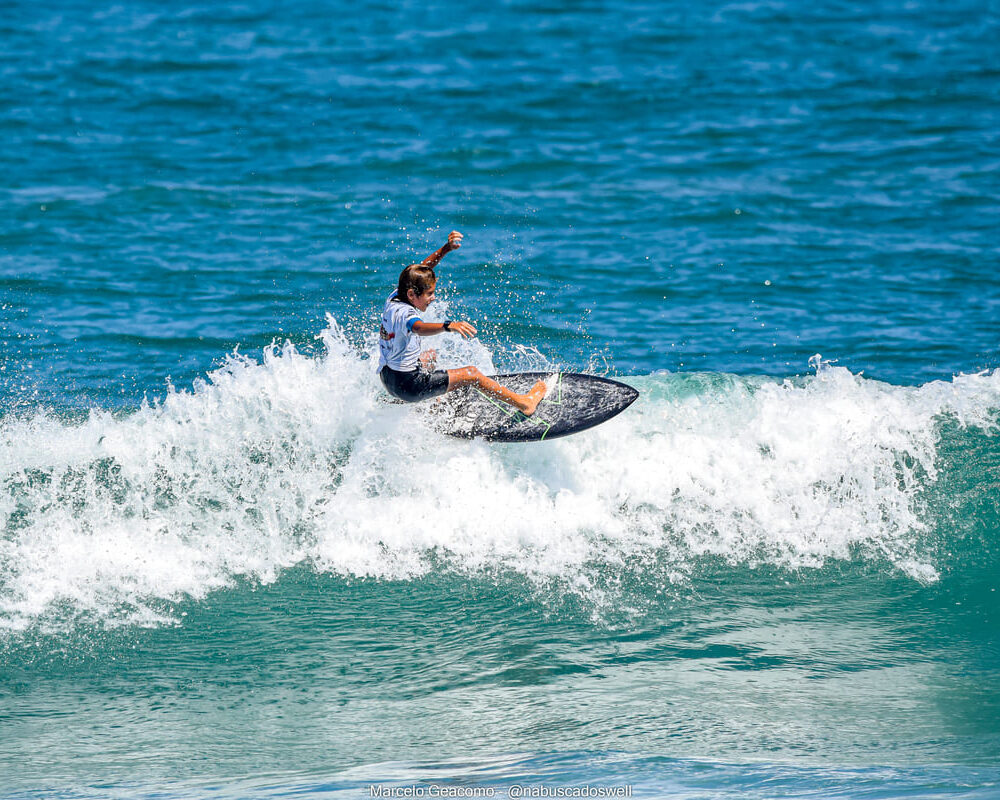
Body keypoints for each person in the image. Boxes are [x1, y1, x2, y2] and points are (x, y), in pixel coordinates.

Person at [377, 230, 547, 416]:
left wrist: (446, 249)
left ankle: (426, 401)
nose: (433, 298)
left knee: (430, 357)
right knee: (471, 374)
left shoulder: (395, 296)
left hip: (388, 378)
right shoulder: (406, 313)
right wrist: (447, 326)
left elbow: (422, 269)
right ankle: (524, 403)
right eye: (429, 294)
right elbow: (418, 327)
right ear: (412, 294)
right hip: (408, 386)